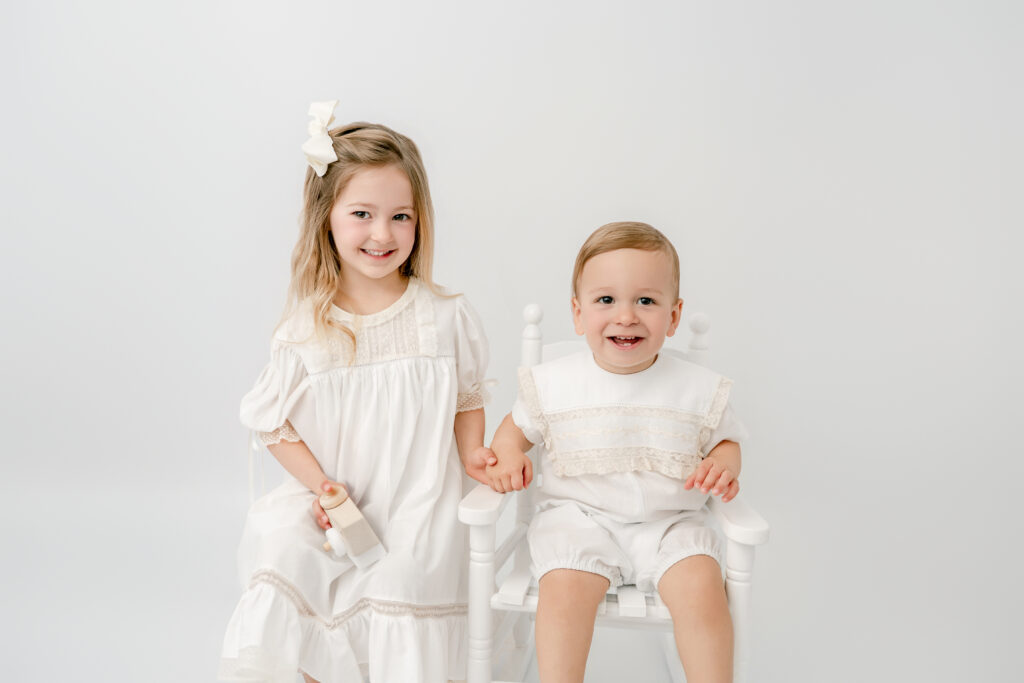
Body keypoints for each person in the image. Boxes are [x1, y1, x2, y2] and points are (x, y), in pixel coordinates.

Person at [220, 101, 494, 683]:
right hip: (338, 501)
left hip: (421, 502)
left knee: (400, 578)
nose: (382, 233)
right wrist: (320, 486)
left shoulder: (444, 316)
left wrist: (474, 455)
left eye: (401, 216)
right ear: (327, 218)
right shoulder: (308, 327)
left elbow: (467, 398)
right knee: (283, 549)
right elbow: (274, 423)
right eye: (363, 214)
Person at [485, 221, 746, 683]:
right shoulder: (556, 382)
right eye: (606, 300)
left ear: (674, 315)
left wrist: (721, 466)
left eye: (646, 300)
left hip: (672, 525)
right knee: (563, 595)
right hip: (580, 519)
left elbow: (726, 441)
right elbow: (514, 429)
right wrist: (507, 455)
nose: (626, 315)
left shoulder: (695, 388)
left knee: (703, 590)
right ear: (578, 313)